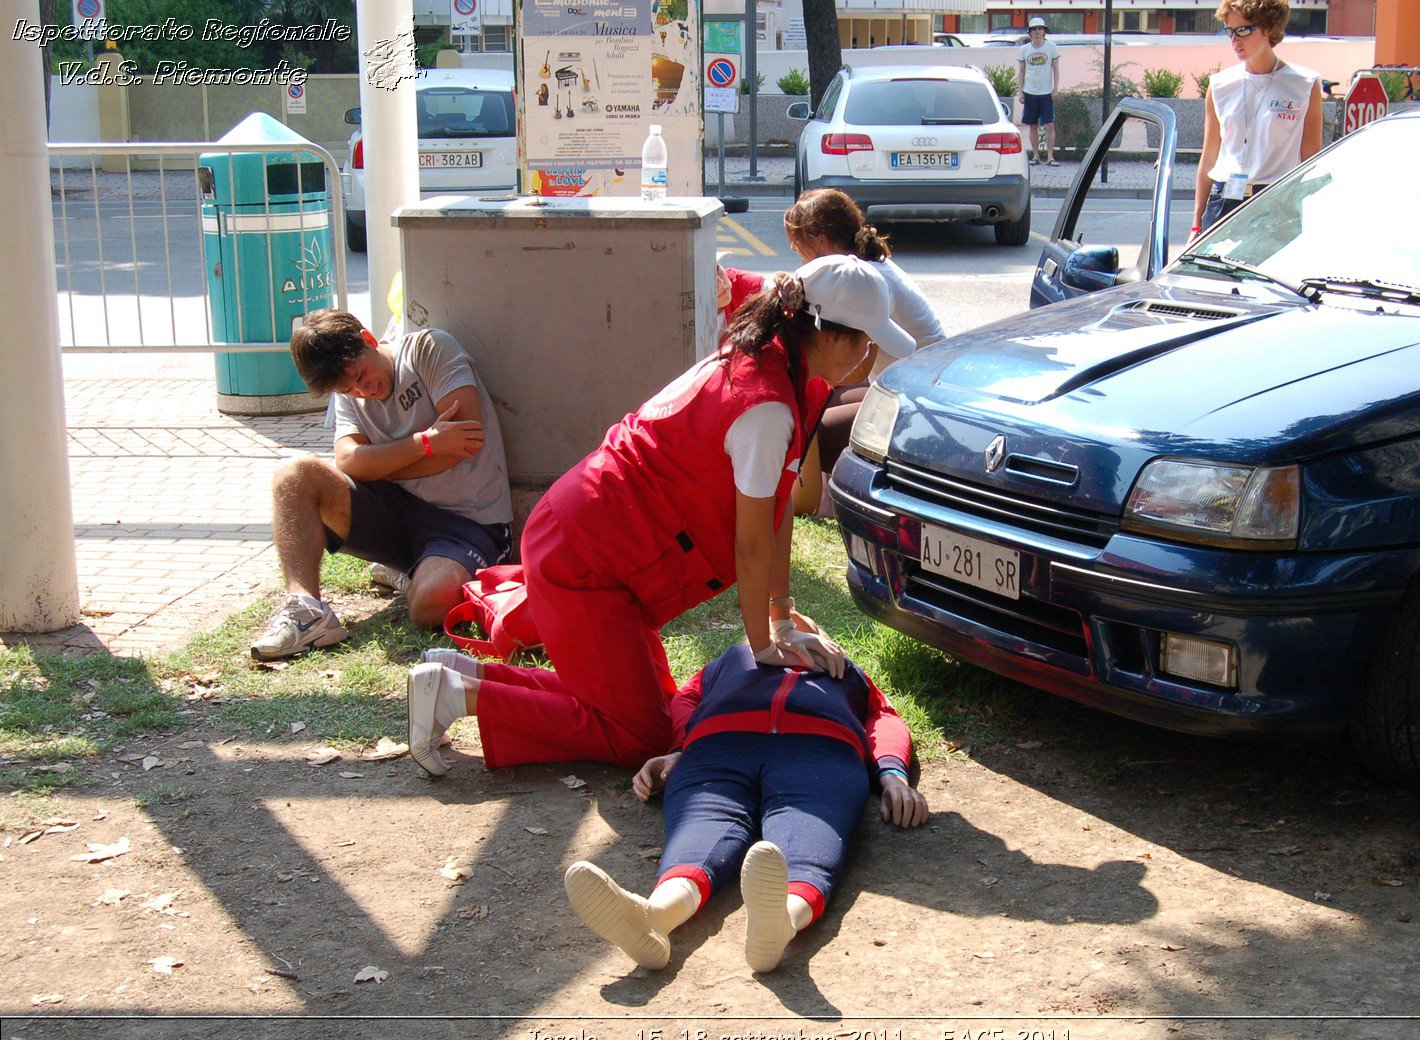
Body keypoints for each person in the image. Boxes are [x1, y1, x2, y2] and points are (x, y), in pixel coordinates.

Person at [405, 255, 917, 777]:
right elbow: (751, 544)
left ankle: (458, 676)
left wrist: (782, 616)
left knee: (656, 707)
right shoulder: (768, 403)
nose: (870, 353)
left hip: (599, 547)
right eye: (866, 340)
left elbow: (778, 508)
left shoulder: (787, 367)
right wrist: (765, 645)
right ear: (828, 334)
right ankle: (458, 696)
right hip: (585, 559)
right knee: (639, 735)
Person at [563, 644, 929, 973]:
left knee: (809, 846)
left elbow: (884, 719)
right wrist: (678, 749)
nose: (795, 624)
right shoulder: (731, 660)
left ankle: (782, 922)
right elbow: (685, 700)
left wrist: (892, 776)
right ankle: (653, 918)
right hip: (716, 748)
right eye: (783, 621)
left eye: (807, 626)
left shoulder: (846, 670)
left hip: (821, 751)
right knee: (698, 837)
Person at [249, 311, 511, 661]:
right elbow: (348, 461)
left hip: (469, 521)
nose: (362, 391)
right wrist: (424, 443)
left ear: (369, 340)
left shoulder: (428, 349)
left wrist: (377, 465)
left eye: (361, 375)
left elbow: (465, 442)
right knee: (293, 474)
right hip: (397, 512)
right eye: (347, 389)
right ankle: (307, 610)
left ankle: (413, 574)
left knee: (429, 606)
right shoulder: (348, 391)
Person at [783, 188, 945, 516]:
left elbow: (843, 359)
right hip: (901, 383)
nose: (794, 250)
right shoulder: (864, 264)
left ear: (822, 240)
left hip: (921, 399)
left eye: (797, 242)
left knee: (820, 430)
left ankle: (822, 501)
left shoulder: (858, 279)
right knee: (822, 403)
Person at [1192, 0, 1322, 237]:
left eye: (1243, 30)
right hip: (1224, 201)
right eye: (1229, 31)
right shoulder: (1220, 85)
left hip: (1277, 202)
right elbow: (1209, 158)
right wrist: (1196, 224)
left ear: (1269, 28)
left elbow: (1310, 159)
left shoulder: (1304, 84)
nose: (1235, 39)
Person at [1015, 17, 1060, 167]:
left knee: (1049, 125)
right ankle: (1035, 156)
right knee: (1032, 125)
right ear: (1030, 32)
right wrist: (1020, 91)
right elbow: (1021, 71)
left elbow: (1056, 69)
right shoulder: (1024, 49)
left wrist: (1055, 88)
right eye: (1034, 29)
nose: (1037, 32)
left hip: (1046, 92)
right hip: (1030, 92)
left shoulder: (1051, 47)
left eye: (1040, 29)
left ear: (1044, 31)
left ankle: (1050, 156)